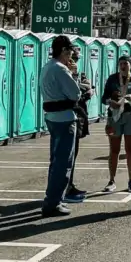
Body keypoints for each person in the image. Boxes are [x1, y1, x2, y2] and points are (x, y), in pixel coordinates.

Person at [38, 34, 81, 217]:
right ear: (63, 51)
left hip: (52, 117)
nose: (70, 56)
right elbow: (75, 94)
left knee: (55, 161)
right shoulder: (61, 69)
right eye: (69, 52)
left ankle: (52, 199)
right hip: (64, 118)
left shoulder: (47, 67)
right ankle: (54, 203)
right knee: (63, 163)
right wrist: (74, 74)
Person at [101, 55, 131, 195]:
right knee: (114, 150)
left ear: (130, 65)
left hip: (130, 115)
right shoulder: (112, 79)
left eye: (125, 63)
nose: (123, 66)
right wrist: (110, 101)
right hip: (114, 116)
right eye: (121, 64)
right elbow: (104, 98)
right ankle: (111, 181)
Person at [65, 48, 93, 200]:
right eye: (72, 58)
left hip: (79, 116)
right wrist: (79, 83)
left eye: (76, 58)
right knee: (66, 156)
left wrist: (85, 89)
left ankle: (69, 184)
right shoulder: (64, 73)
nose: (74, 62)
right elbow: (75, 91)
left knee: (73, 154)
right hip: (67, 117)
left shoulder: (79, 74)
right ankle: (65, 188)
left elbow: (88, 88)